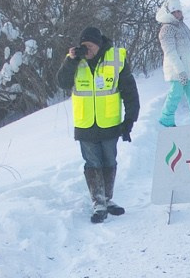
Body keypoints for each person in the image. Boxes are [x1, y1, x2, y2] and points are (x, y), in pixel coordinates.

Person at [53, 26, 136, 224]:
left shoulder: (115, 58)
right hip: (85, 124)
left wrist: (129, 120)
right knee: (92, 164)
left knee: (109, 161)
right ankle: (98, 202)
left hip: (109, 123)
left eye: (90, 46)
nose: (87, 50)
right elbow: (62, 83)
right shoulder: (75, 61)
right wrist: (70, 60)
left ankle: (107, 199)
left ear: (99, 45)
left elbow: (130, 91)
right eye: (84, 46)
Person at [157, 0, 190, 127]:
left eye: (179, 11)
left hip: (189, 70)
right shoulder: (167, 29)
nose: (178, 14)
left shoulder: (182, 25)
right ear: (169, 13)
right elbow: (170, 52)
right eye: (175, 12)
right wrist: (180, 71)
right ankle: (166, 120)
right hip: (176, 71)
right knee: (175, 95)